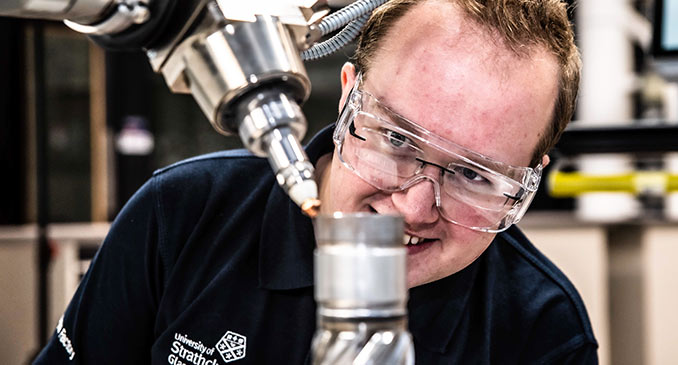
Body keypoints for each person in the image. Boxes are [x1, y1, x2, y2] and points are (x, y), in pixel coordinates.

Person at [36, 0, 597, 363]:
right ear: (349, 96)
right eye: (398, 140)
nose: (414, 207)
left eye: (475, 175)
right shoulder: (180, 218)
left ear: (526, 181)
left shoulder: (541, 328)